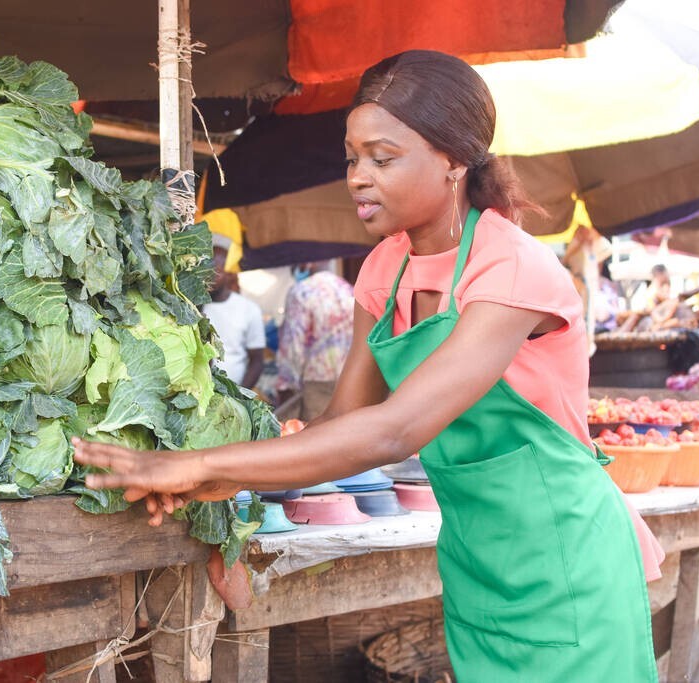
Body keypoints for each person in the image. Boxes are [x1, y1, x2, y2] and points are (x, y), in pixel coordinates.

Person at [75, 50, 660, 682]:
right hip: (477, 566)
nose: (358, 176)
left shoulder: (511, 269)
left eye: (383, 158)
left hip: (570, 566)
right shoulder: (385, 270)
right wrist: (230, 481)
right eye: (353, 157)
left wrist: (202, 461)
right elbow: (341, 425)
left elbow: (391, 432)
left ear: (454, 160)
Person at [275, 260, 355, 421]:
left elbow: (293, 346)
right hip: (352, 377)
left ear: (309, 263)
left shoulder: (301, 292)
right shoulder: (349, 289)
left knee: (321, 435)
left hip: (317, 382)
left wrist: (285, 384)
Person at [202, 238, 265, 388]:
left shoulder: (249, 309)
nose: (209, 274)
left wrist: (240, 395)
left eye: (216, 269)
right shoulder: (192, 308)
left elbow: (257, 360)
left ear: (230, 273)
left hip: (234, 393)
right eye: (206, 268)